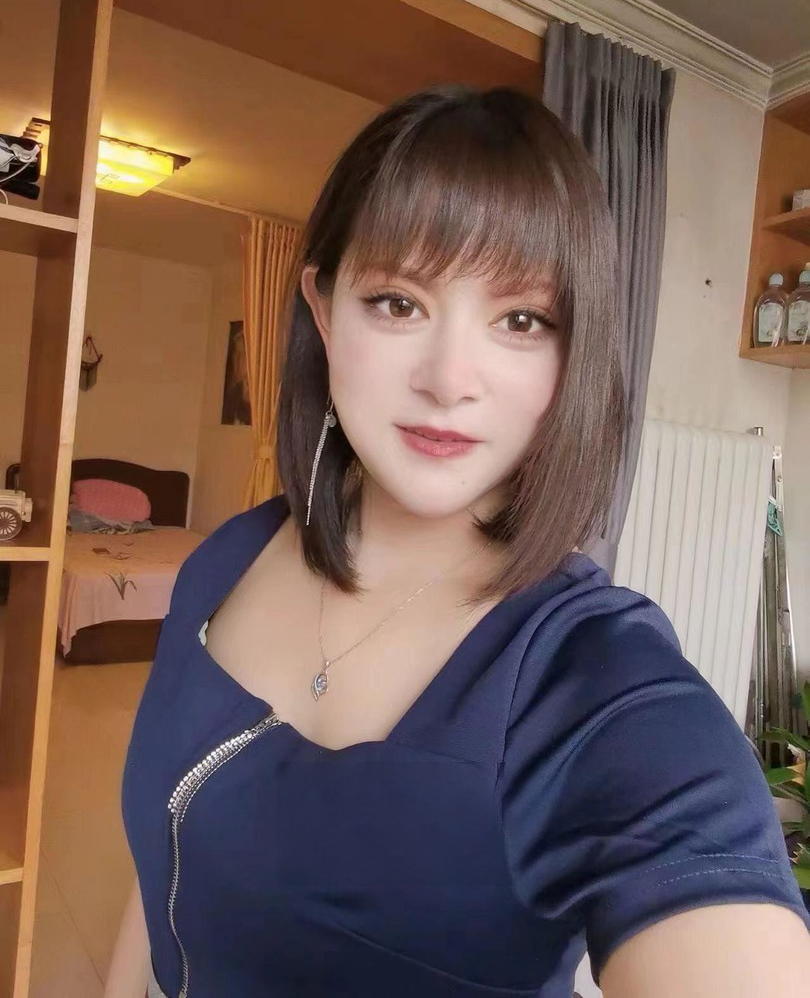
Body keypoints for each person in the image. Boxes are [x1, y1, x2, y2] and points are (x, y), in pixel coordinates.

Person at [105, 85, 810, 998]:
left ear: (574, 354)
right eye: (398, 303)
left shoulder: (596, 678)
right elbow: (160, 855)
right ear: (324, 308)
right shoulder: (224, 560)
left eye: (521, 320)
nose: (449, 379)